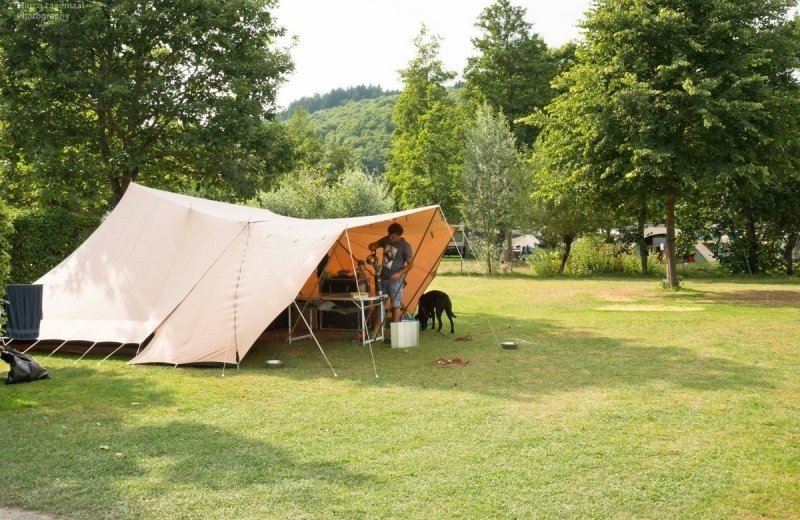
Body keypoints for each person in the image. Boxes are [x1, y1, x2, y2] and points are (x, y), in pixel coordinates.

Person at [368, 222, 413, 325]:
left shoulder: (405, 246)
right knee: (380, 304)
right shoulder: (386, 239)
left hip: (396, 280)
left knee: (396, 305)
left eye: (392, 236)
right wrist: (372, 246)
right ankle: (376, 331)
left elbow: (411, 265)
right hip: (383, 278)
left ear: (399, 235)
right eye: (389, 235)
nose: (390, 238)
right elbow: (373, 244)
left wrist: (399, 274)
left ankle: (395, 332)